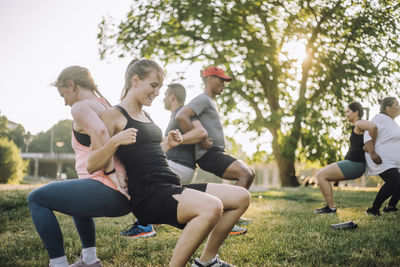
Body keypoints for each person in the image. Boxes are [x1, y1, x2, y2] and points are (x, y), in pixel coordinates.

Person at [88, 58, 251, 267]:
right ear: (136, 80)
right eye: (153, 86)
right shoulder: (113, 115)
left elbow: (147, 154)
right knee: (212, 207)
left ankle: (208, 261)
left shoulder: (146, 114)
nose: (157, 93)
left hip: (169, 184)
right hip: (148, 194)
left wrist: (167, 145)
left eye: (160, 88)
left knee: (241, 196)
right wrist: (116, 141)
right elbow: (92, 163)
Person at [27, 66, 138, 267]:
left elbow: (102, 134)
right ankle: (89, 260)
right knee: (74, 195)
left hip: (108, 189)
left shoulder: (80, 107)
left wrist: (112, 175)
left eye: (63, 94)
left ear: (71, 85)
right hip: (117, 193)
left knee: (36, 198)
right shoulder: (104, 104)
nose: (64, 101)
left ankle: (58, 264)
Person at [120, 83, 209, 238]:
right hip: (179, 166)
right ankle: (150, 221)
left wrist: (177, 140)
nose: (162, 98)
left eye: (165, 94)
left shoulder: (183, 112)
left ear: (172, 96)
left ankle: (143, 225)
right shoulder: (175, 115)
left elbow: (201, 132)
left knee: (143, 171)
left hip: (181, 166)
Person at [175, 66, 255, 226]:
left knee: (248, 173)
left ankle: (229, 216)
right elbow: (181, 116)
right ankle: (227, 219)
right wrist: (199, 140)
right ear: (209, 79)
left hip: (215, 152)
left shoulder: (209, 101)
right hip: (208, 153)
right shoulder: (203, 98)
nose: (224, 85)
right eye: (221, 80)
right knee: (245, 174)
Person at [314, 102, 378, 214]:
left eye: (348, 111)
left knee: (321, 175)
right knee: (324, 177)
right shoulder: (357, 125)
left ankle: (331, 208)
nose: (346, 114)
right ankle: (330, 207)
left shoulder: (359, 123)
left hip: (355, 164)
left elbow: (373, 127)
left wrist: (372, 146)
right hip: (353, 163)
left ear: (356, 112)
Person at [364, 97, 400, 216]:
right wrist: (372, 153)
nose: (399, 107)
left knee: (395, 181)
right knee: (395, 181)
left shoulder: (392, 122)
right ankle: (373, 209)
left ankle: (390, 206)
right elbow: (367, 135)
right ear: (388, 108)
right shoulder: (379, 118)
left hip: (392, 162)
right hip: (381, 159)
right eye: (397, 104)